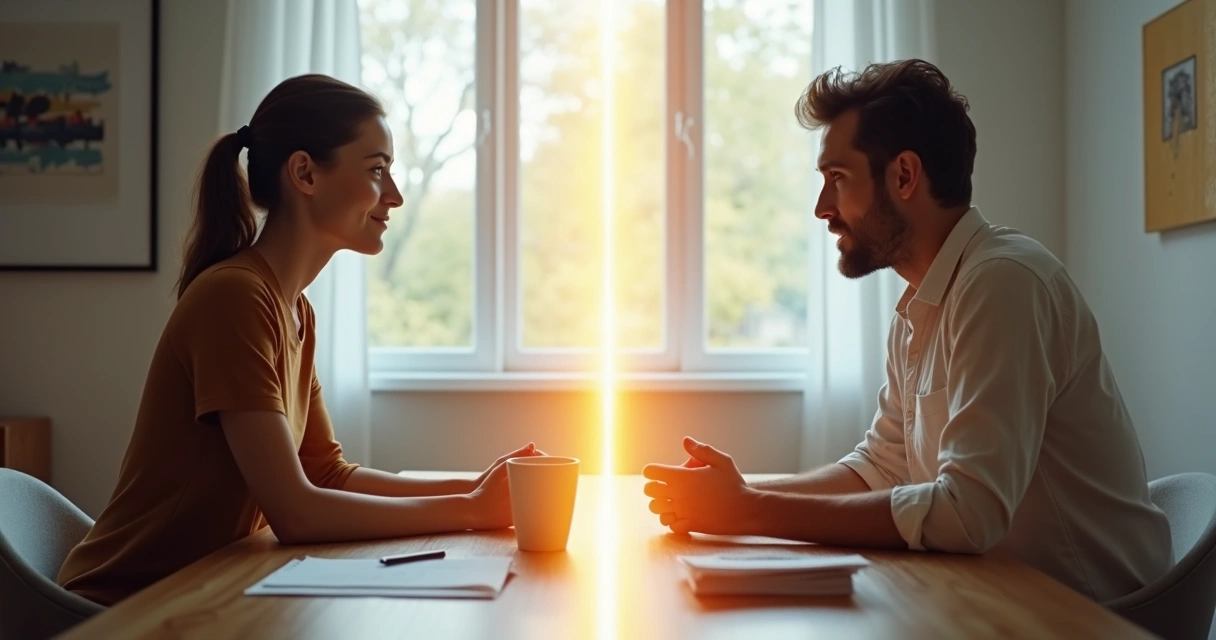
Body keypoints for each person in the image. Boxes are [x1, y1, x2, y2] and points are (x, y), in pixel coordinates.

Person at [642, 59, 1172, 602]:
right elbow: (882, 466)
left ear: (903, 175)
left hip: (1090, 616)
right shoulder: (924, 300)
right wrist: (738, 492)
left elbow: (968, 515)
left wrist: (750, 511)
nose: (823, 208)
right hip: (1001, 598)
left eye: (838, 179)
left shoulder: (1003, 284)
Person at [58, 74, 540, 606]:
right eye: (377, 169)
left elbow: (326, 473)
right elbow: (297, 512)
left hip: (204, 593)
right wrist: (472, 510)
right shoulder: (235, 298)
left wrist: (478, 487)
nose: (395, 195)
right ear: (305, 173)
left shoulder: (293, 310)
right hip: (119, 610)